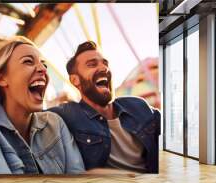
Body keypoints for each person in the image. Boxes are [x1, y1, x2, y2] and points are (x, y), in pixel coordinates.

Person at [0, 37, 85, 174]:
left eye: (44, 64)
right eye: (28, 61)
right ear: (2, 78)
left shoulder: (55, 123)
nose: (43, 69)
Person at [50, 41, 160, 173]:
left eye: (105, 63)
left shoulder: (138, 105)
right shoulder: (68, 114)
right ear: (75, 80)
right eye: (92, 64)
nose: (104, 68)